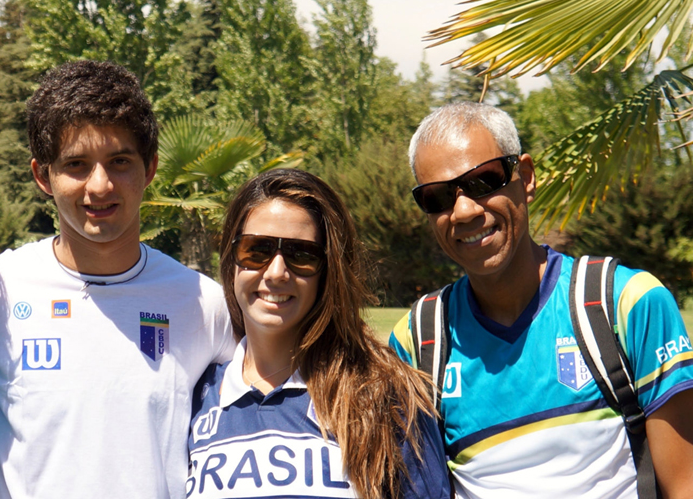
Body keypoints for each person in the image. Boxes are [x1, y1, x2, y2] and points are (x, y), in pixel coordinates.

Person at [0, 60, 234, 499]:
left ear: (150, 168)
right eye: (77, 164)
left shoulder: (205, 304)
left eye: (119, 161)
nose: (100, 186)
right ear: (42, 176)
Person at [389, 101, 693, 498]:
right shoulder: (417, 341)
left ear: (527, 178)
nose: (462, 211)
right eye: (437, 197)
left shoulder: (627, 303)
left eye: (484, 180)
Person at [188, 168, 450, 499]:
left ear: (328, 273)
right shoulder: (195, 396)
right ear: (231, 261)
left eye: (301, 255)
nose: (277, 273)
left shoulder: (386, 395)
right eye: (256, 250)